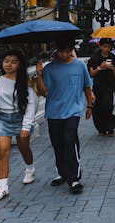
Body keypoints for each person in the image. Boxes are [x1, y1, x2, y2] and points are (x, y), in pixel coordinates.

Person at [0, 51, 39, 202]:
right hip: (3, 119)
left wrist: (26, 126)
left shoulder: (24, 82)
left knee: (23, 148)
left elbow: (31, 105)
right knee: (2, 152)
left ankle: (30, 168)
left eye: (13, 62)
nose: (9, 64)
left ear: (19, 65)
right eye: (6, 61)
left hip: (20, 119)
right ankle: (2, 187)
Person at [34, 42, 94, 194]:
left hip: (73, 110)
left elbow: (87, 86)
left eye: (67, 51)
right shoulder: (49, 68)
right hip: (54, 111)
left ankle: (74, 178)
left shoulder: (79, 66)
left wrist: (89, 106)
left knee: (69, 140)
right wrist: (39, 75)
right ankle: (61, 172)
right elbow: (42, 92)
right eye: (61, 51)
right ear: (56, 51)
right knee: (57, 143)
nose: (64, 54)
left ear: (71, 50)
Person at [87, 38, 115, 136]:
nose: (107, 49)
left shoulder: (113, 57)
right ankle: (101, 129)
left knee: (108, 106)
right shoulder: (95, 58)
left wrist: (113, 68)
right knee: (98, 108)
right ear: (100, 46)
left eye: (109, 47)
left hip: (109, 86)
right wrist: (100, 67)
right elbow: (91, 73)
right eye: (105, 46)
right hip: (98, 86)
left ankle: (110, 128)